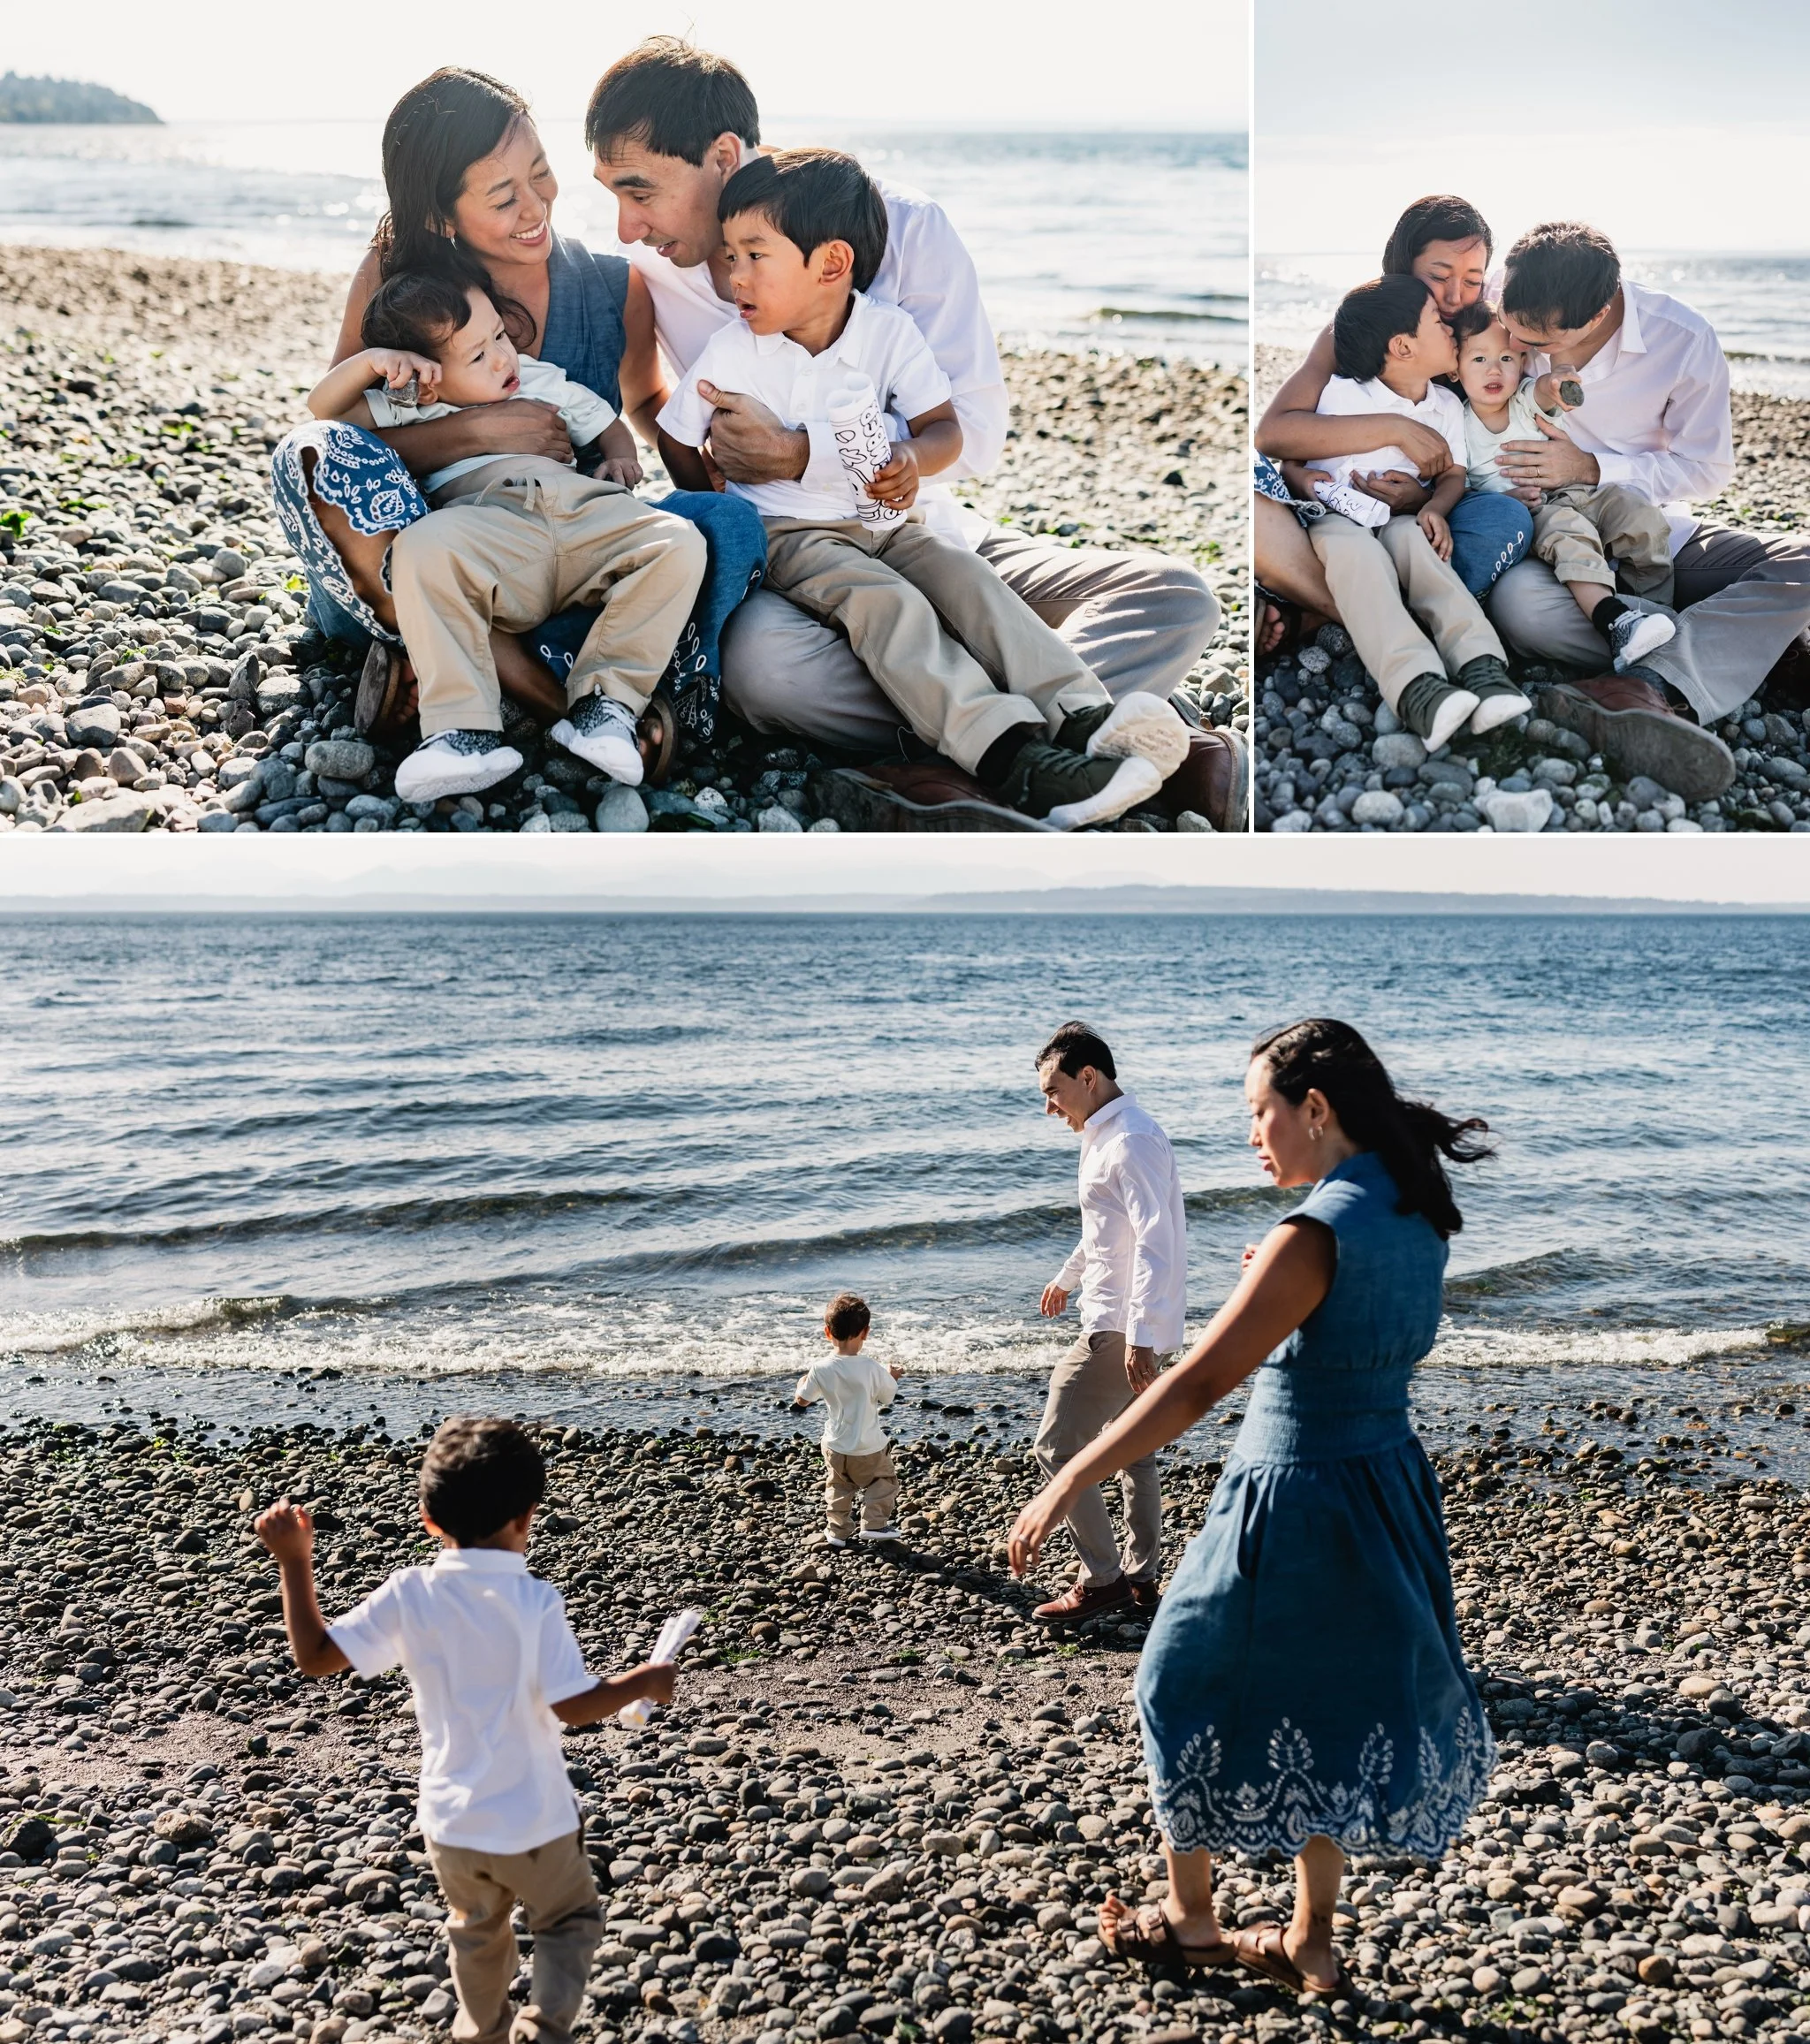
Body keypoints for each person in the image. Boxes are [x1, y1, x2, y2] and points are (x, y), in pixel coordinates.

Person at [586, 36, 1243, 830]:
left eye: (639, 191)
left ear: (722, 155)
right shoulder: (652, 270)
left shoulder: (904, 228)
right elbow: (653, 406)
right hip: (798, 558)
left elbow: (973, 432)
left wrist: (805, 451)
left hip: (921, 529)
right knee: (763, 669)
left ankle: (978, 756)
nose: (626, 227)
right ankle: (1078, 746)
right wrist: (705, 466)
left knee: (1176, 599)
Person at [1007, 1021, 1496, 1994]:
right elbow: (1356, 1334)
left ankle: (1191, 1918)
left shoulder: (1310, 1234)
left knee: (1170, 1682)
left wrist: (1069, 1478)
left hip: (1291, 1496)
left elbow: (1191, 1389)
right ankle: (1308, 1939)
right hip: (1385, 1485)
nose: (1250, 1134)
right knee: (1323, 1704)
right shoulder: (1411, 1210)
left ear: (1313, 1109)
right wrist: (1273, 1287)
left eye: (1257, 1112)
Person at [659, 149, 1191, 831]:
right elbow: (678, 432)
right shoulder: (734, 350)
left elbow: (946, 429)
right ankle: (1007, 755)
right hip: (793, 535)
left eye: (753, 255)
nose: (735, 276)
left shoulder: (888, 333)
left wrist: (910, 456)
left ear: (830, 264)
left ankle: (1082, 716)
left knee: (971, 583)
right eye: (730, 256)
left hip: (889, 523)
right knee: (889, 606)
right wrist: (719, 496)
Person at [268, 67, 766, 769]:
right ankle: (559, 695)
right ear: (442, 217)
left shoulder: (613, 286)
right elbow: (344, 436)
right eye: (504, 197)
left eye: (541, 174)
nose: (536, 206)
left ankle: (442, 671)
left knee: (722, 528)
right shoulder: (401, 283)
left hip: (571, 551)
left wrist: (713, 450)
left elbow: (648, 403)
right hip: (443, 550)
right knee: (307, 456)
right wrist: (480, 431)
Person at [254, 1417, 678, 2044]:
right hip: (536, 1819)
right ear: (528, 1516)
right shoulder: (535, 1601)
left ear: (429, 1518)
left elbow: (315, 1656)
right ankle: (541, 2025)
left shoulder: (410, 1593)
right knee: (568, 1918)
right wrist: (643, 1679)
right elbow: (575, 1707)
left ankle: (481, 2029)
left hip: (451, 1823)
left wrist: (295, 1561)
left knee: (476, 1930)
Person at [309, 273, 706, 802]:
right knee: (421, 548)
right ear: (427, 376)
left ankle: (604, 707)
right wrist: (372, 362)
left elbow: (606, 421)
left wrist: (621, 456)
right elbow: (324, 412)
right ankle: (462, 730)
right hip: (492, 528)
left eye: (499, 335)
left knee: (680, 542)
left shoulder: (539, 376)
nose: (502, 359)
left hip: (585, 514)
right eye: (476, 356)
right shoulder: (411, 403)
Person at [1487, 220, 1797, 801]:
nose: (1522, 350)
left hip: (1650, 530)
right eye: (1513, 333)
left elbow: (1707, 469)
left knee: (1802, 562)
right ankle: (1740, 649)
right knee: (1520, 608)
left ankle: (1646, 683)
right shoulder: (1504, 301)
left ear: (1600, 311)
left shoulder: (1682, 341)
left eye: (1540, 343)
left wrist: (1592, 467)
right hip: (1546, 542)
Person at [1255, 197, 1532, 649]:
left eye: (1473, 280)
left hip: (1433, 513)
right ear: (1401, 268)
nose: (1454, 297)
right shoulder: (1355, 329)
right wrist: (1394, 427)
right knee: (1249, 486)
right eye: (1439, 277)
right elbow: (1273, 435)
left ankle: (1329, 613)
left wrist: (1424, 500)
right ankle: (1346, 610)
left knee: (1504, 516)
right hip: (1338, 512)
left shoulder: (1486, 331)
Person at [1299, 276, 1528, 749]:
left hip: (1402, 517)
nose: (1450, 328)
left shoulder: (1444, 405)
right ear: (1403, 346)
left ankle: (1482, 668)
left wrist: (1437, 510)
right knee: (1356, 557)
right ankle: (1417, 688)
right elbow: (1294, 458)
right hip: (1335, 517)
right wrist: (1305, 481)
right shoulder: (1344, 395)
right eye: (1436, 323)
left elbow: (1452, 475)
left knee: (1420, 552)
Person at [1029, 1022, 1186, 1623]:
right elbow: (1106, 1229)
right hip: (1122, 1316)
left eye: (1054, 1089)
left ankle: (1102, 1579)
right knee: (1133, 1452)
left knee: (1056, 1443)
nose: (1049, 1105)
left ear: (1088, 1076)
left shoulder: (1131, 1140)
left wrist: (1141, 1335)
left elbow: (1154, 1240)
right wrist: (1067, 1277)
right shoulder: (1108, 1134)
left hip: (1121, 1325)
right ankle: (1141, 1580)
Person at [1450, 302, 1677, 672]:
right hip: (1533, 511)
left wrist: (1556, 383)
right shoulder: (1457, 423)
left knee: (1639, 515)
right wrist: (1505, 500)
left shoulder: (1522, 399)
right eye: (1479, 360)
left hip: (1575, 491)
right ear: (1455, 370)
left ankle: (1656, 609)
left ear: (1521, 364)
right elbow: (1460, 491)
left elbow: (1542, 391)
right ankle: (1614, 622)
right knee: (1570, 533)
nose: (1495, 369)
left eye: (1507, 358)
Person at [793, 1291, 903, 1547]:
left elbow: (803, 1400)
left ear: (827, 1332)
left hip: (835, 1445)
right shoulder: (871, 1367)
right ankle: (874, 1524)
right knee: (883, 1481)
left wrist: (801, 1385)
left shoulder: (820, 1367)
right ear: (865, 1332)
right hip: (869, 1447)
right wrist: (892, 1376)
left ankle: (837, 1531)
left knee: (838, 1486)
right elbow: (887, 1397)